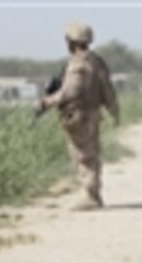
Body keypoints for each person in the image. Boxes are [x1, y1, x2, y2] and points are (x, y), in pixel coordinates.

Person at [39, 21, 119, 211]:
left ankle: (90, 196)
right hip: (92, 114)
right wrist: (114, 110)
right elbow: (108, 90)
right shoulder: (97, 61)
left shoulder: (77, 64)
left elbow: (69, 92)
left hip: (78, 115)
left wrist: (47, 102)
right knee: (91, 154)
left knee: (83, 156)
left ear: (71, 41)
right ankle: (94, 194)